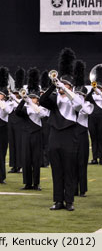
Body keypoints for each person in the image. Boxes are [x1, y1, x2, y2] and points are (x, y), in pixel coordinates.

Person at [40, 48, 82, 211]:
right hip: (55, 135)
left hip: (69, 136)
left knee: (69, 170)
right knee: (56, 170)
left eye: (64, 85)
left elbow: (78, 105)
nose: (61, 87)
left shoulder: (75, 97)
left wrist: (65, 89)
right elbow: (43, 101)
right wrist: (53, 86)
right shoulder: (54, 98)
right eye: (60, 85)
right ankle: (58, 200)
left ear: (70, 87)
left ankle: (69, 201)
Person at [15, 68, 49, 191]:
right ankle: (27, 183)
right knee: (26, 160)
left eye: (34, 98)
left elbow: (40, 113)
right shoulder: (25, 108)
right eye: (31, 97)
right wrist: (23, 100)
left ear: (37, 100)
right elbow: (17, 111)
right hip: (26, 135)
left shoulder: (41, 109)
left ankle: (36, 183)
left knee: (36, 160)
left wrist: (30, 101)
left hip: (36, 136)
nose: (32, 99)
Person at [75, 60, 94, 197]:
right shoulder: (72, 103)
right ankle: (73, 188)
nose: (79, 97)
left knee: (82, 163)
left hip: (82, 135)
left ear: (84, 96)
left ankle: (82, 189)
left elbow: (85, 111)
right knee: (71, 163)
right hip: (71, 134)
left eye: (81, 95)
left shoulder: (88, 105)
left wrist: (80, 101)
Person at [0, 67, 12, 184]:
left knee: (2, 154)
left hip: (3, 130)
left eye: (0, 94)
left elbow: (7, 110)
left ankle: (2, 178)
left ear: (4, 96)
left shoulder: (7, 104)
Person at [7, 68, 25, 173]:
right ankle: (13, 165)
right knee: (12, 144)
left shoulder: (21, 100)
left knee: (19, 144)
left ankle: (20, 165)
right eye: (14, 92)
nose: (15, 93)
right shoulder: (11, 100)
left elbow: (22, 106)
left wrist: (15, 99)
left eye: (17, 92)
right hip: (11, 121)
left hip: (19, 121)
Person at [87, 65, 102, 165]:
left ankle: (101, 158)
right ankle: (94, 158)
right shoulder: (91, 96)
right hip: (92, 119)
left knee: (101, 138)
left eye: (100, 88)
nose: (98, 89)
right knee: (93, 139)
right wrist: (93, 88)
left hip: (101, 119)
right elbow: (87, 98)